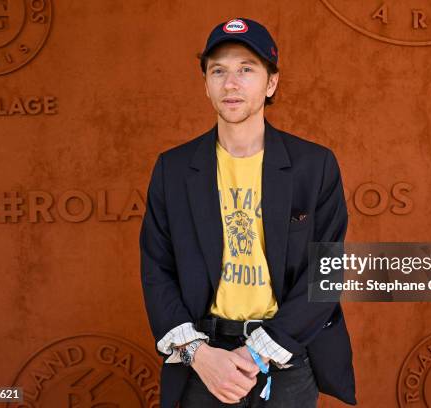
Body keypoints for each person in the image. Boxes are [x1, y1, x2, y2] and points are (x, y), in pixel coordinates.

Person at [140, 17, 357, 408]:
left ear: (271, 82)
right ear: (205, 84)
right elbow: (157, 270)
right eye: (218, 71)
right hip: (204, 361)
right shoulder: (173, 169)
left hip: (287, 358)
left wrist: (253, 355)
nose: (231, 83)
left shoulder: (314, 165)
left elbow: (325, 273)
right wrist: (199, 355)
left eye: (246, 69)